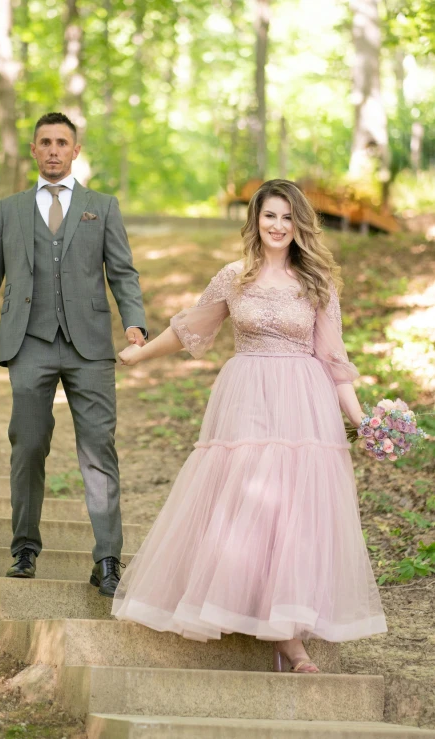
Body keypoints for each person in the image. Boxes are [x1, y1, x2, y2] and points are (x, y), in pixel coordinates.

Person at [112, 179, 387, 672]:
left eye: (287, 217)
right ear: (255, 221)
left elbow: (334, 359)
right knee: (244, 496)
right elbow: (189, 328)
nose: (278, 226)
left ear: (299, 224)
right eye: (270, 216)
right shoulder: (233, 276)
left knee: (295, 510)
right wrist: (140, 354)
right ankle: (237, 599)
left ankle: (287, 633)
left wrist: (364, 421)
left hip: (303, 401)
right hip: (246, 394)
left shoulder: (317, 283)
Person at [0, 112, 147, 596]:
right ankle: (24, 549)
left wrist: (134, 322)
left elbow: (123, 273)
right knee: (28, 445)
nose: (55, 149)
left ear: (76, 150)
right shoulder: (11, 209)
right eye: (46, 142)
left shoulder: (102, 206)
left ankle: (107, 560)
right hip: (29, 345)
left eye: (63, 142)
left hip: (91, 349)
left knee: (98, 451)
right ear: (34, 151)